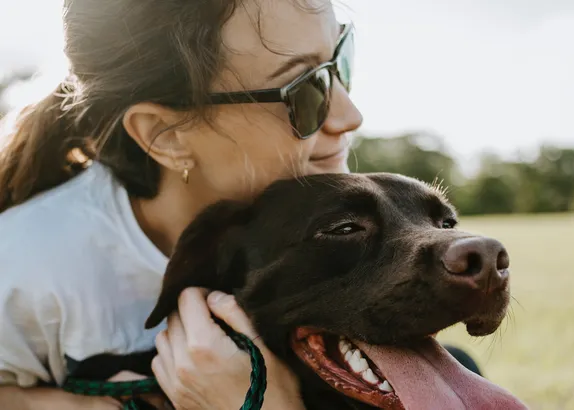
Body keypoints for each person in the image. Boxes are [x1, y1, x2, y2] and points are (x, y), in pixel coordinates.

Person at [0, 0, 362, 408]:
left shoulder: (349, 237)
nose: (350, 115)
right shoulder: (24, 265)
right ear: (165, 135)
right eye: (306, 89)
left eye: (340, 60)